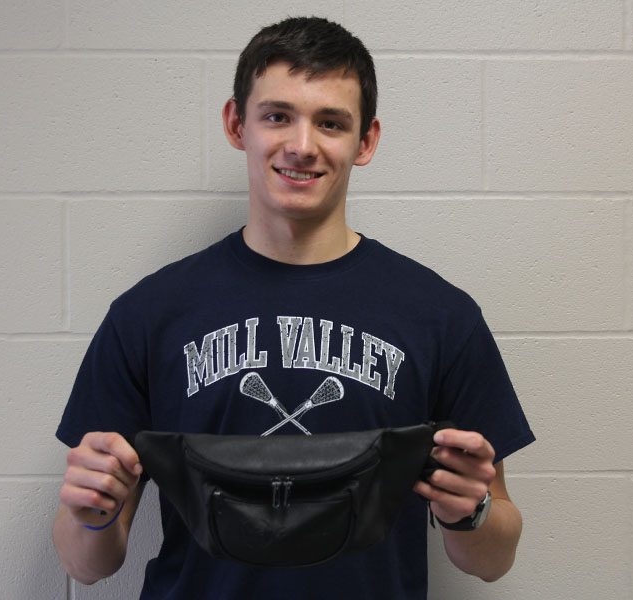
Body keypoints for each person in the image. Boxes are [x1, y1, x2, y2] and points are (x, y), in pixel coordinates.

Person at [52, 16, 534, 599]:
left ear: (367, 141)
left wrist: (474, 511)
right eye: (277, 115)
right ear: (237, 124)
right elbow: (86, 563)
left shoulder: (440, 315)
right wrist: (92, 511)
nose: (302, 147)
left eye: (331, 123)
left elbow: (492, 559)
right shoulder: (149, 314)